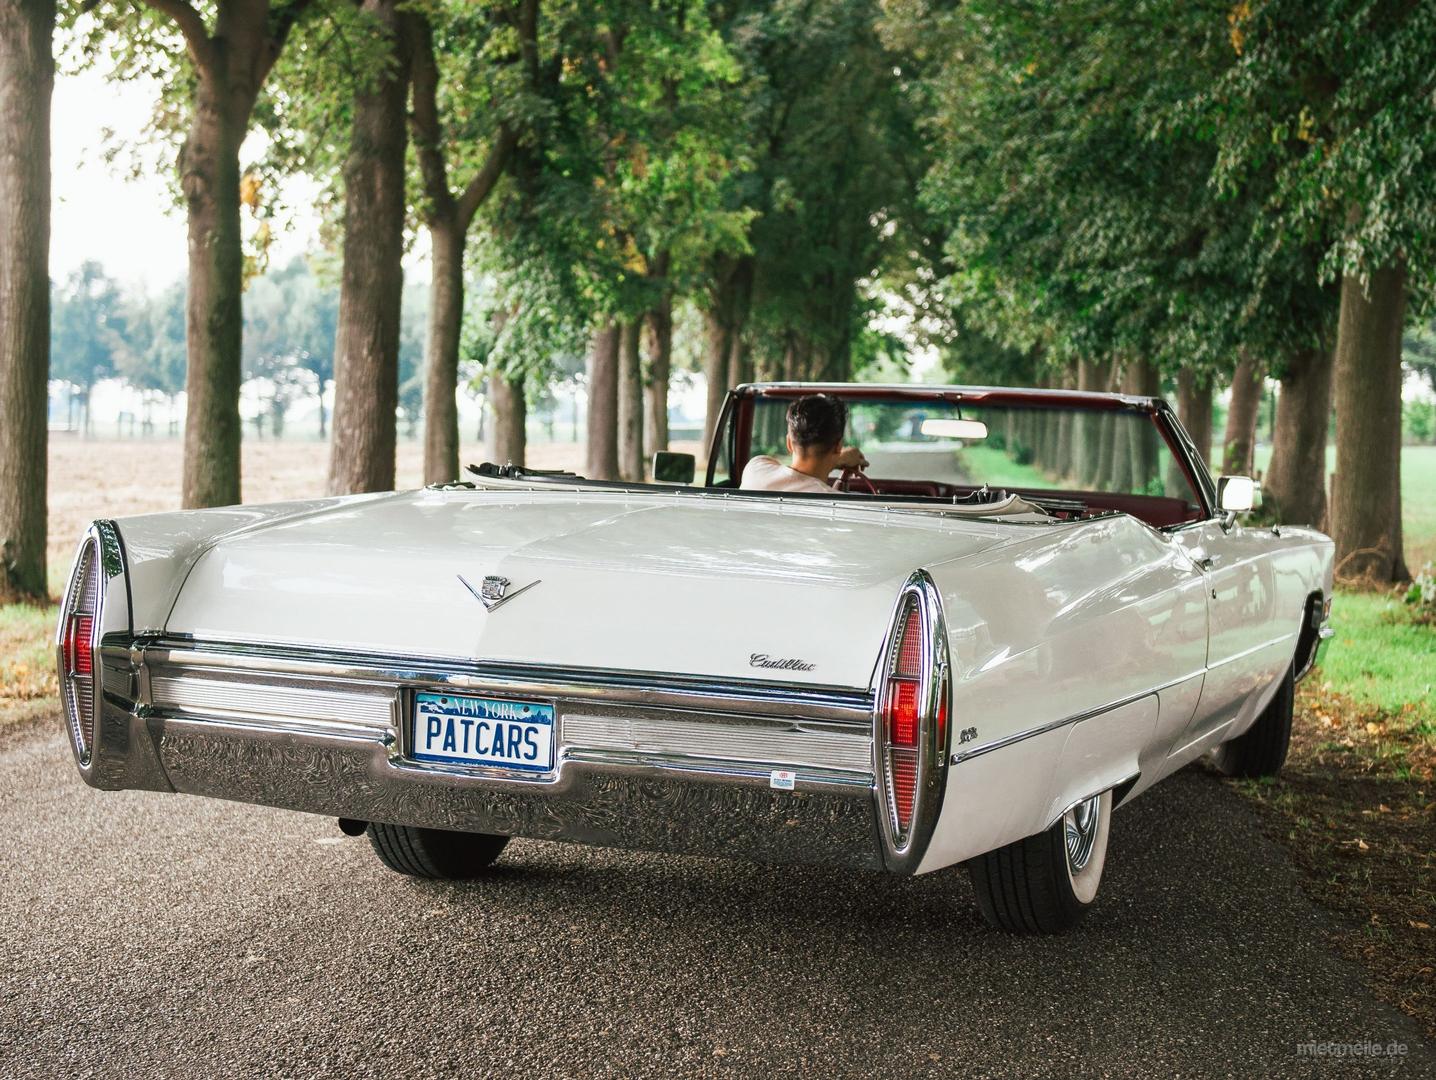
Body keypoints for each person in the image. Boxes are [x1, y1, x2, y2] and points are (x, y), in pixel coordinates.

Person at [739, 393, 869, 494]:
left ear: (789, 443)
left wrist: (838, 458)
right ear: (838, 446)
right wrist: (838, 459)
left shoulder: (756, 468)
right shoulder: (834, 503)